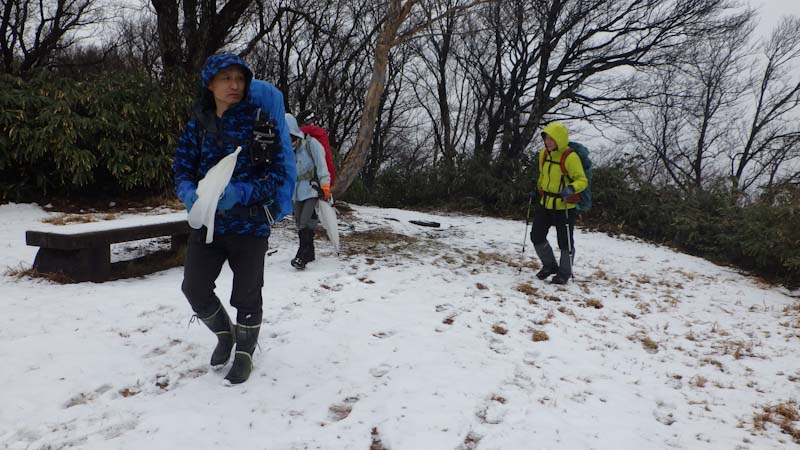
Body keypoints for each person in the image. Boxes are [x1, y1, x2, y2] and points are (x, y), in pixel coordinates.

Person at [173, 53, 295, 384]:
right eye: (226, 78)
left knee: (247, 294)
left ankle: (244, 353)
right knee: (194, 287)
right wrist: (186, 190)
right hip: (209, 223)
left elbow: (274, 175)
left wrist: (241, 192)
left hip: (249, 223)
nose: (235, 85)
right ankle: (225, 335)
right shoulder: (197, 125)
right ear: (210, 84)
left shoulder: (260, 122)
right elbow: (182, 166)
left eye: (240, 78)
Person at [531, 122, 588, 285]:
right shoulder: (543, 154)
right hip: (546, 202)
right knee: (536, 236)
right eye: (546, 138)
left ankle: (564, 273)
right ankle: (550, 266)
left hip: (565, 206)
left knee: (565, 241)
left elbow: (582, 180)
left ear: (560, 140)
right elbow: (543, 175)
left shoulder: (570, 157)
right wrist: (537, 189)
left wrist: (571, 188)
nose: (547, 142)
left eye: (551, 139)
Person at [286, 112, 331, 269]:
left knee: (306, 221)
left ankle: (302, 255)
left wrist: (325, 187)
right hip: (296, 191)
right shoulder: (287, 149)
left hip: (312, 189)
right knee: (299, 222)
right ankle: (310, 252)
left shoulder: (311, 145)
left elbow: (322, 166)